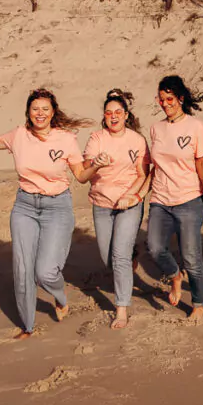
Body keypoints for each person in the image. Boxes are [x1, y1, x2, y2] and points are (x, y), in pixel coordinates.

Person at [0, 89, 90, 340]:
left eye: (45, 109)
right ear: (28, 111)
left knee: (46, 271)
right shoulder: (19, 135)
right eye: (35, 109)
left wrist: (98, 165)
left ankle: (60, 298)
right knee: (23, 269)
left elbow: (81, 176)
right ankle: (27, 326)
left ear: (53, 112)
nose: (40, 114)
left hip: (57, 207)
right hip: (25, 207)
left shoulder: (65, 139)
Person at [78, 89, 150, 329]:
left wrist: (133, 196)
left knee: (119, 255)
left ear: (126, 114)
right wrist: (95, 163)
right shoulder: (97, 139)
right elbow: (85, 169)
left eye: (118, 112)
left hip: (129, 204)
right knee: (108, 259)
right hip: (101, 204)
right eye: (109, 113)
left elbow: (143, 173)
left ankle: (121, 309)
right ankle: (131, 260)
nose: (114, 116)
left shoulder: (137, 140)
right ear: (104, 116)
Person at [147, 75, 203, 320]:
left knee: (192, 257)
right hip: (160, 199)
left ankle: (198, 302)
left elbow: (200, 161)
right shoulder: (156, 128)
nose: (165, 103)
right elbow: (153, 166)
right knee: (154, 248)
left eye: (170, 99)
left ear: (181, 99)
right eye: (161, 99)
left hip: (188, 198)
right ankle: (175, 276)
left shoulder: (196, 126)